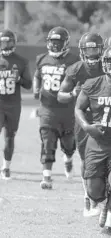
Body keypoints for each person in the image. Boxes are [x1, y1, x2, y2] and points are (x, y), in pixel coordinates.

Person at [75, 45, 111, 237]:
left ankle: (109, 225)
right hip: (97, 142)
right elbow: (79, 108)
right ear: (104, 63)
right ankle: (102, 204)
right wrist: (86, 126)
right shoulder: (93, 84)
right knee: (93, 189)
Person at [57, 32, 104, 216]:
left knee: (108, 160)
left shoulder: (109, 66)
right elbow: (60, 95)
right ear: (82, 51)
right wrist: (72, 94)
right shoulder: (76, 69)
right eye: (88, 49)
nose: (92, 54)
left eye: (95, 49)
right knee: (86, 160)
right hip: (84, 120)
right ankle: (88, 196)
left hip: (107, 119)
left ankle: (104, 198)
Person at [33, 26, 80, 189]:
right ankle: (47, 177)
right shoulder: (41, 59)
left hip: (67, 110)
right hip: (47, 110)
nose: (54, 45)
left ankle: (68, 159)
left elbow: (80, 81)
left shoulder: (74, 60)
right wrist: (36, 88)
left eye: (58, 42)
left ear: (65, 43)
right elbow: (37, 76)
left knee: (68, 144)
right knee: (47, 142)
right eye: (52, 42)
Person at [0, 29, 32, 179]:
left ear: (14, 43)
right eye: (3, 42)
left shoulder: (21, 61)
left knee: (10, 137)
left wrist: (18, 78)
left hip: (13, 105)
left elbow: (28, 85)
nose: (5, 45)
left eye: (8, 42)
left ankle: (6, 166)